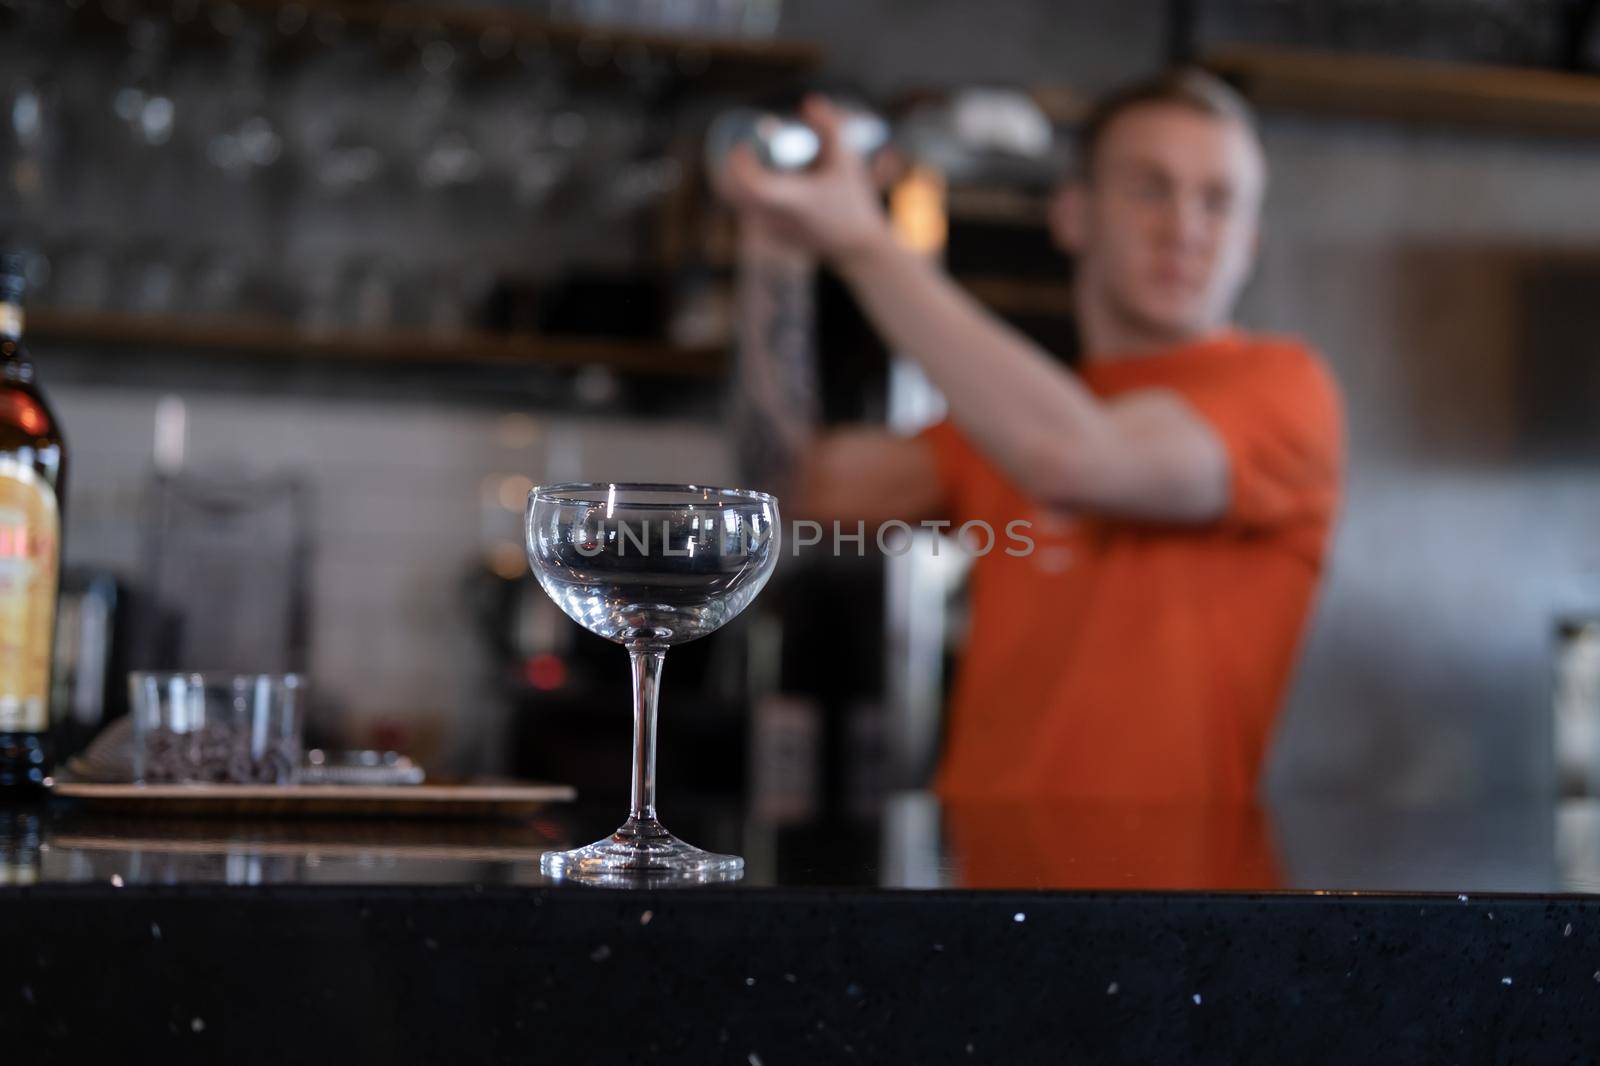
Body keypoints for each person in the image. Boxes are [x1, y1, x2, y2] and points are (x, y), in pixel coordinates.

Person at [719, 70, 1344, 803]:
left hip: (1188, 910)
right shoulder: (1012, 418)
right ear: (1073, 215)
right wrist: (777, 247)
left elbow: (1072, 457)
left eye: (1219, 201)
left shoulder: (1285, 390)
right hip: (989, 897)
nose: (1185, 227)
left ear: (1250, 242)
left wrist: (862, 241)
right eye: (1150, 188)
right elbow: (783, 486)